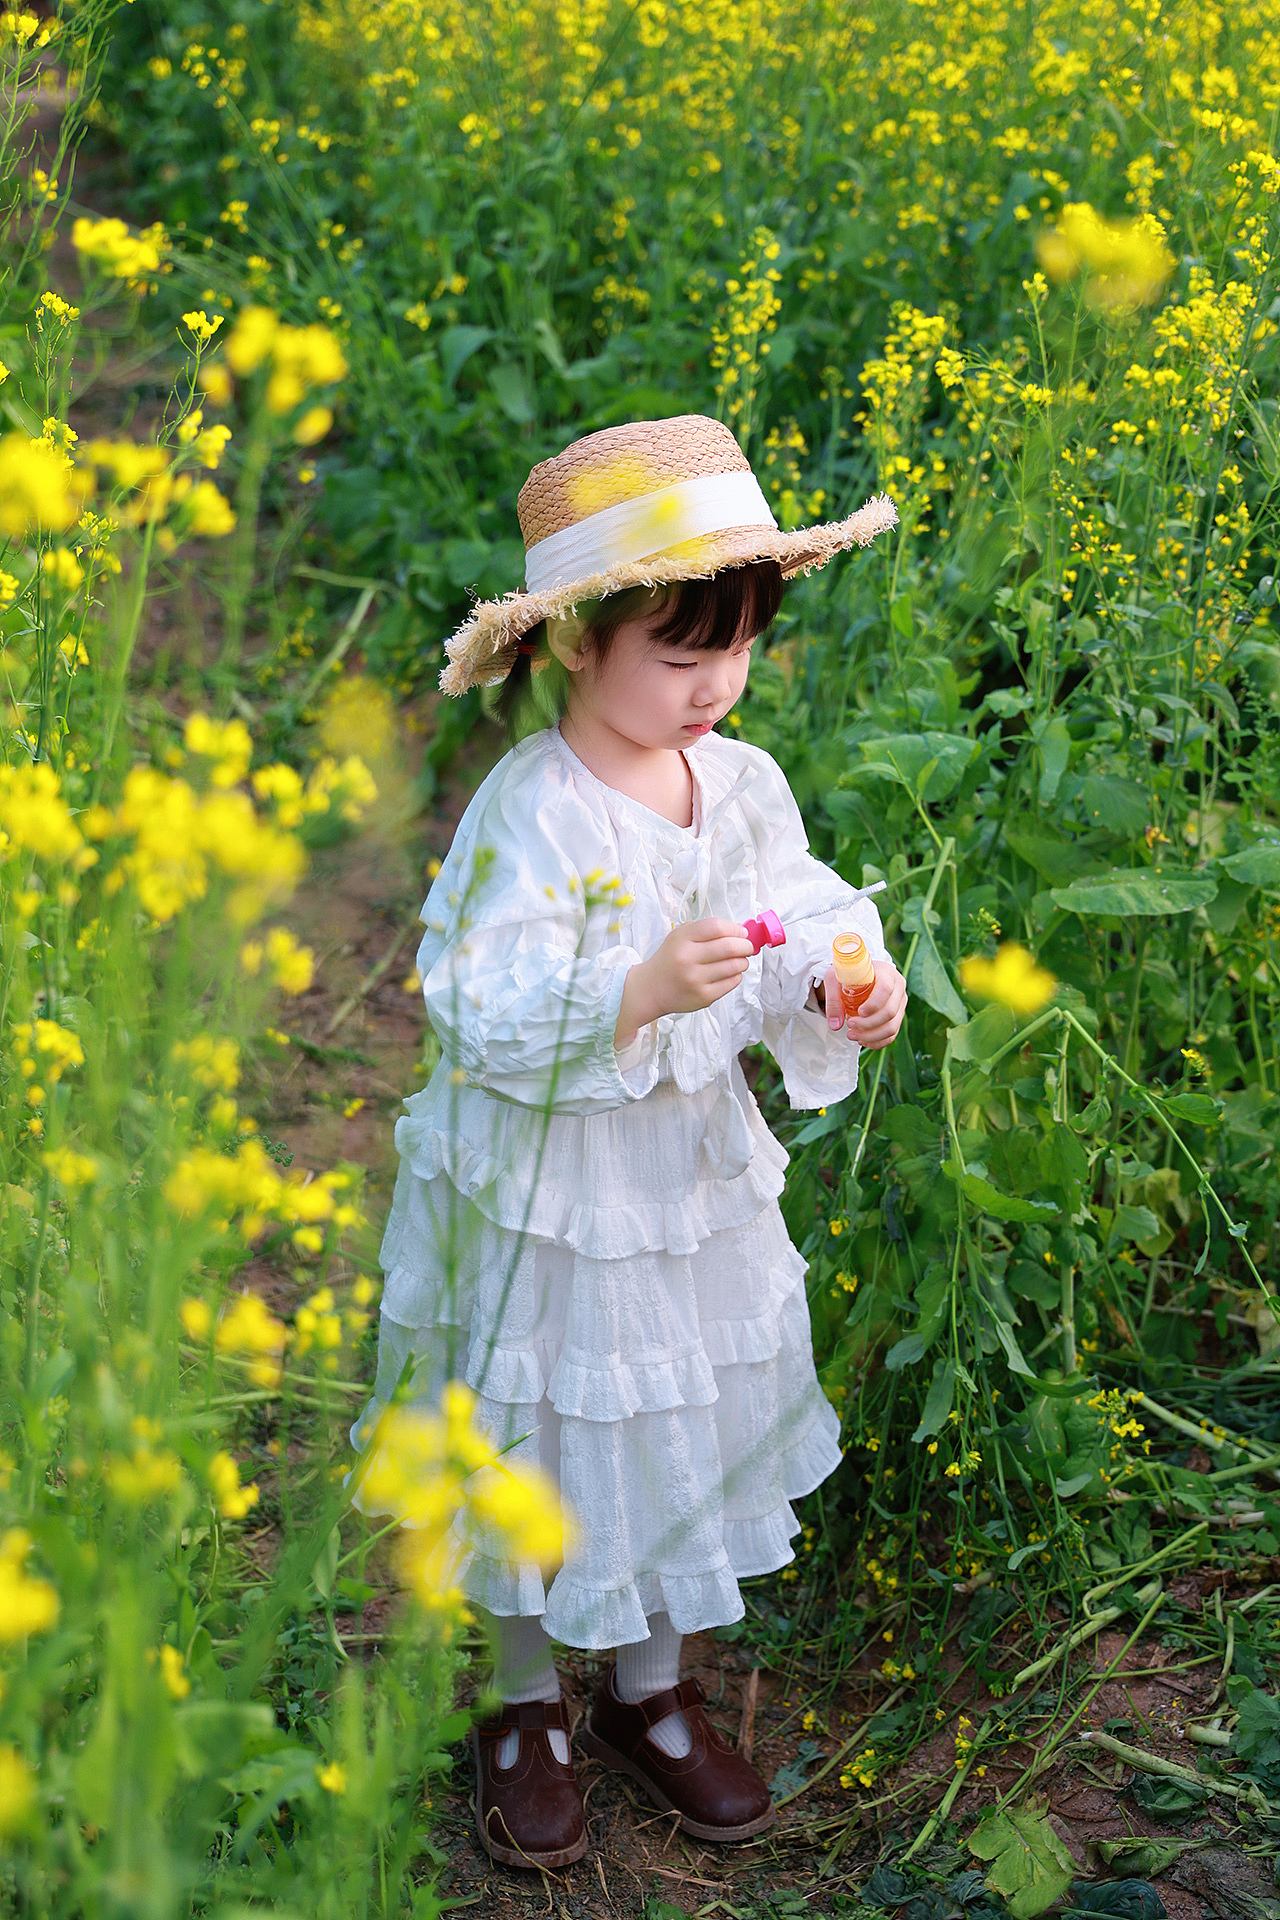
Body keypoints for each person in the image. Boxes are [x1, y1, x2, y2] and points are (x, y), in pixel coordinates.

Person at [352, 415, 906, 1870]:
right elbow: (477, 997)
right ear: (575, 646)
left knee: (677, 1423)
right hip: (551, 1194)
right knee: (542, 1425)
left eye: (735, 647)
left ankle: (653, 1694)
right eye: (678, 652)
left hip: (683, 1183)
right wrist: (641, 985)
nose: (714, 684)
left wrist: (844, 982)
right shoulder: (533, 810)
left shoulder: (742, 781)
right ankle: (522, 1700)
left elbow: (793, 912)